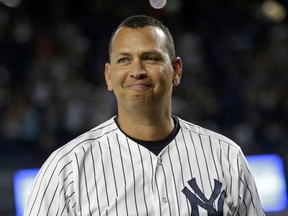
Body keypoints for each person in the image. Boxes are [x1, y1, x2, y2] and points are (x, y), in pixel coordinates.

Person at [24, 15, 265, 216]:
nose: (137, 71)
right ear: (109, 75)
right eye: (124, 60)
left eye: (150, 58)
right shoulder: (68, 167)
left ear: (176, 70)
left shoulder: (226, 155)